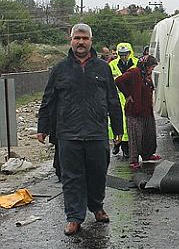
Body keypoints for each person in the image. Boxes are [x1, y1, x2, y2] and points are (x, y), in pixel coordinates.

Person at [37, 23, 123, 235]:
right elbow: (48, 99)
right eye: (77, 38)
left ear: (91, 41)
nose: (81, 42)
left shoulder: (103, 68)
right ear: (71, 41)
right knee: (71, 176)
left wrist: (118, 127)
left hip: (96, 131)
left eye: (85, 38)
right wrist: (43, 127)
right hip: (68, 132)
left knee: (98, 172)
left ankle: (97, 207)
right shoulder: (59, 69)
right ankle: (74, 217)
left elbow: (113, 99)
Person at [115, 55, 160, 169]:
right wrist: (128, 95)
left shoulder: (147, 75)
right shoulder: (134, 72)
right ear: (146, 65)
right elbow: (119, 81)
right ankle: (133, 159)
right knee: (135, 136)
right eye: (151, 67)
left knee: (148, 134)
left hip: (146, 111)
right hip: (134, 110)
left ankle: (147, 155)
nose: (152, 69)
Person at [108, 42, 138, 157]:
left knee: (131, 124)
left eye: (125, 54)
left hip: (132, 98)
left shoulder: (136, 63)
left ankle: (128, 148)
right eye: (121, 54)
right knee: (117, 123)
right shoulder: (112, 65)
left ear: (130, 53)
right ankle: (117, 144)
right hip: (116, 99)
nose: (123, 56)